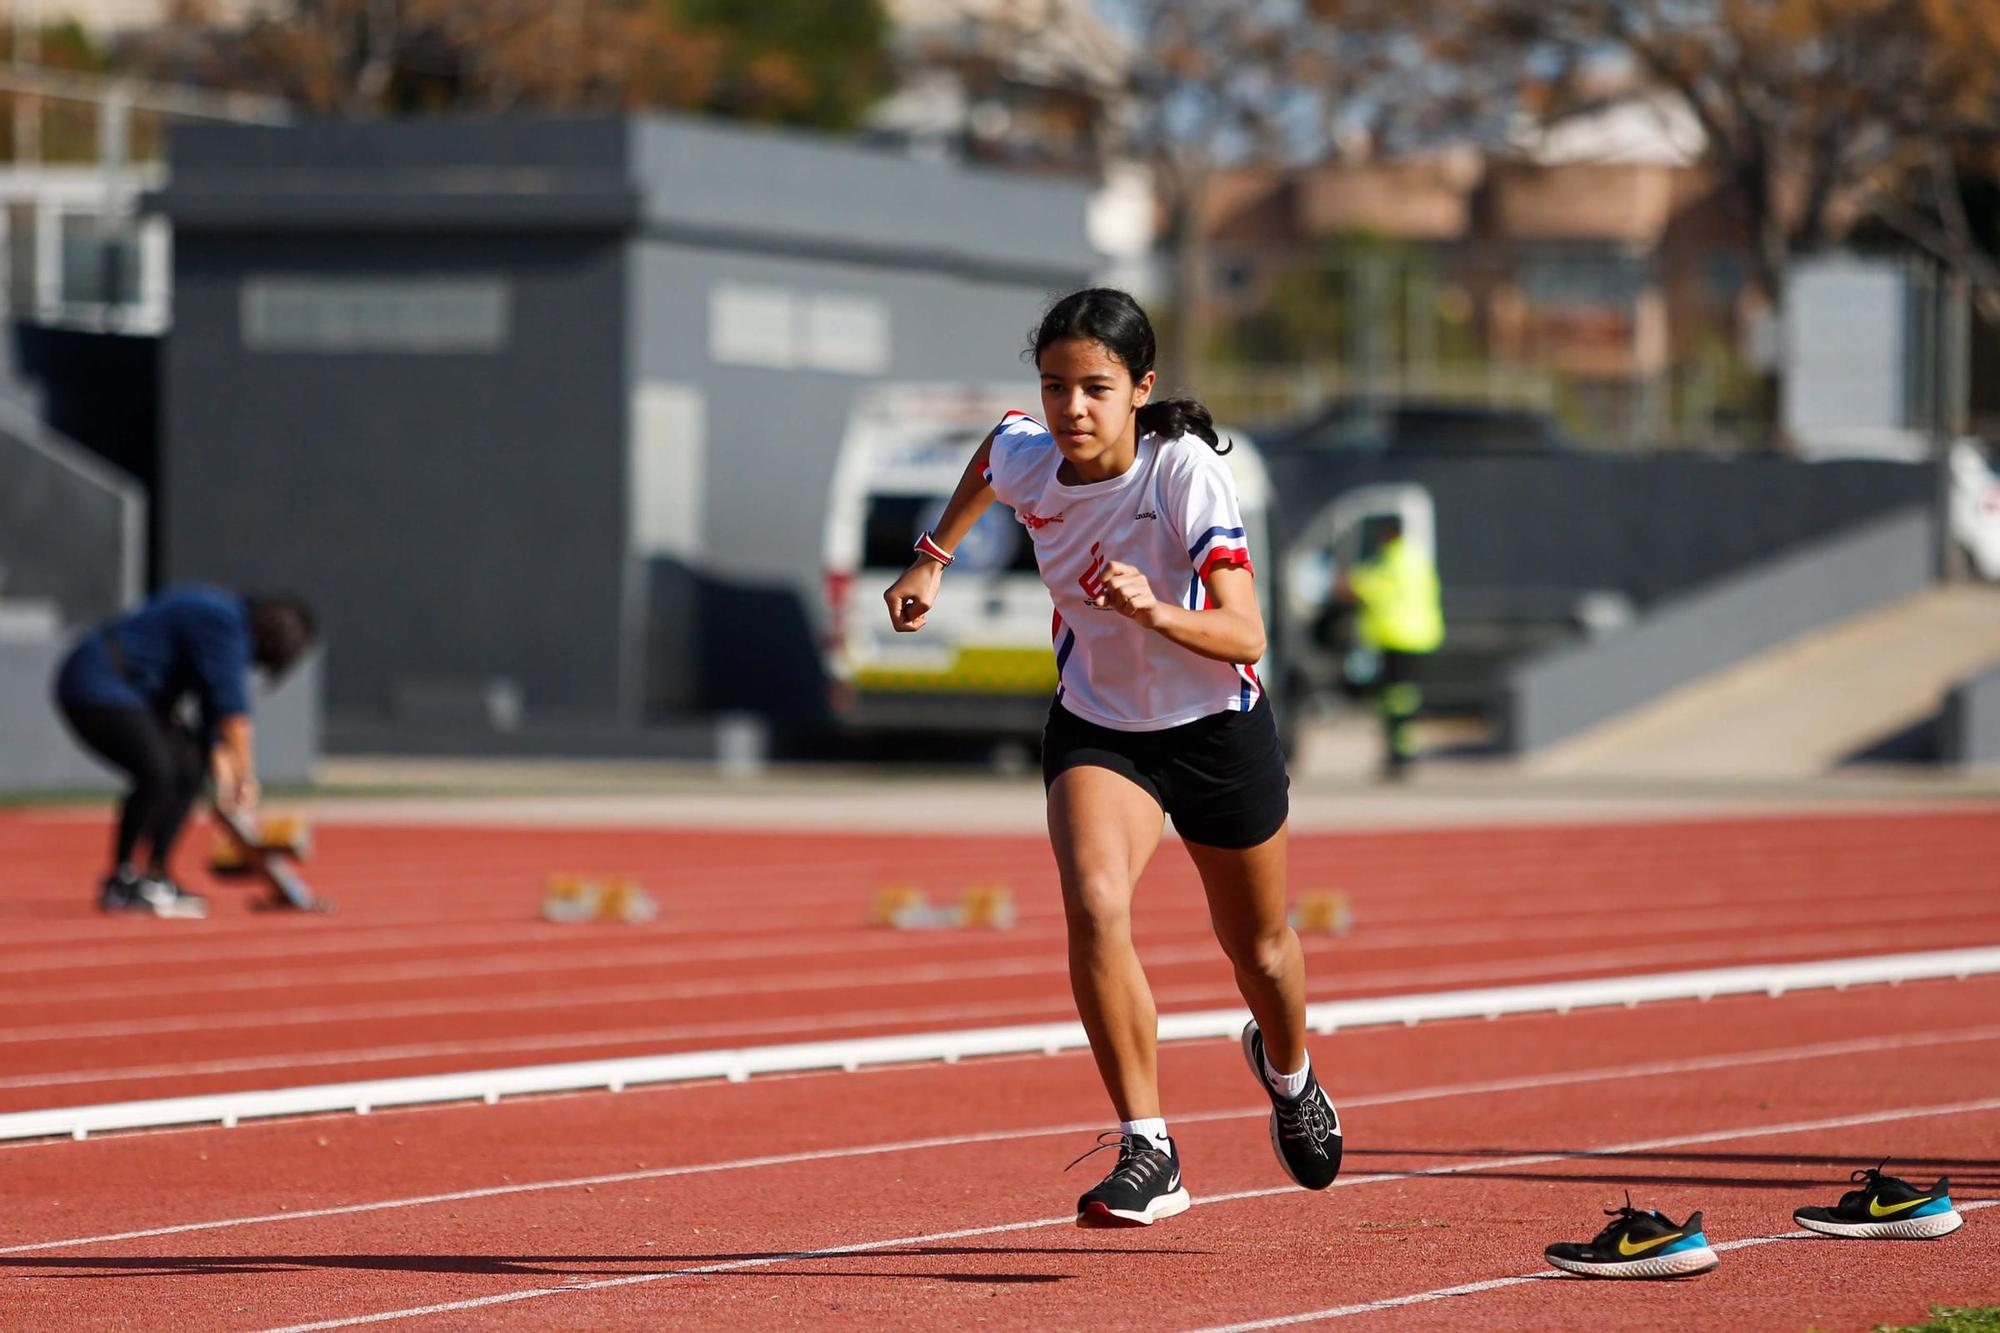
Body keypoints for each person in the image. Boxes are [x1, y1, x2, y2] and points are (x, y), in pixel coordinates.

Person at [884, 288, 1341, 1228]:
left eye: (1095, 388)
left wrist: (1154, 612)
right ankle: (1150, 1145)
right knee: (1095, 900)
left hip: (1214, 726)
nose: (1071, 411)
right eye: (1055, 387)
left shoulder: (1183, 476)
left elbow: (1246, 631)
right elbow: (993, 451)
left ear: (1142, 388)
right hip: (1100, 725)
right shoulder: (1030, 454)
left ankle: (1290, 1074)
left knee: (1257, 946)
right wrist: (933, 555)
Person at [53, 586, 317, 918]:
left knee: (189, 766)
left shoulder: (224, 627)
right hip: (99, 683)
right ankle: (123, 881)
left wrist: (225, 789)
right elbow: (233, 717)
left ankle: (155, 876)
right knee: (158, 772)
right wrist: (245, 783)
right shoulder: (224, 623)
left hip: (132, 695)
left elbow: (214, 731)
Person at [1339, 516, 1442, 779]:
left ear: (1388, 534)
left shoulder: (1392, 559)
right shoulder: (1416, 558)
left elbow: (1374, 587)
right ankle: (1403, 749)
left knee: (1396, 698)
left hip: (1398, 636)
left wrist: (1351, 583)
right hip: (1420, 635)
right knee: (1405, 695)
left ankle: (1401, 753)